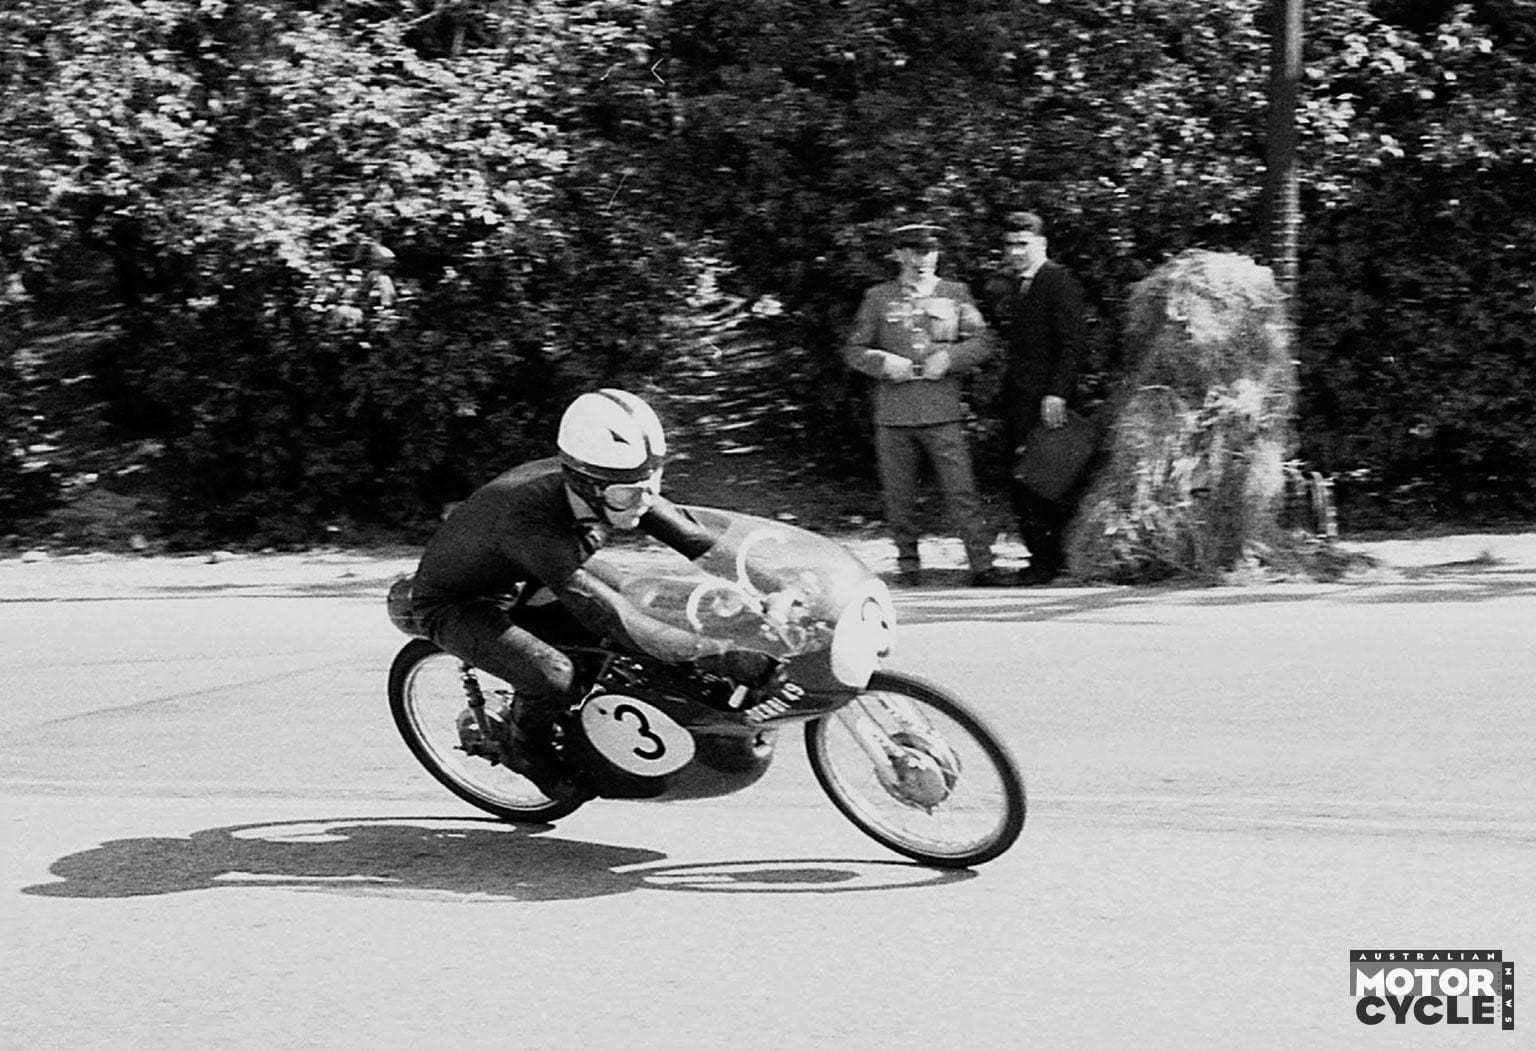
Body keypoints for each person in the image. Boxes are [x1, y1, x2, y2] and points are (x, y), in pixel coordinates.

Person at [407, 388, 756, 798]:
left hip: (531, 575)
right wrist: (710, 650)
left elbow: (700, 543)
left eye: (652, 484)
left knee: (642, 600)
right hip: (459, 603)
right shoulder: (530, 520)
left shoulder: (618, 484)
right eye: (627, 494)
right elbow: (599, 610)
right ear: (585, 485)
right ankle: (526, 751)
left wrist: (774, 585)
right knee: (555, 678)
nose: (643, 502)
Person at [842, 220, 1008, 587]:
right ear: (898, 254)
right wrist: (883, 363)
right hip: (895, 414)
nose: (923, 259)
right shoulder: (879, 297)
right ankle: (908, 566)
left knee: (962, 491)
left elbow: (983, 341)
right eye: (914, 252)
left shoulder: (955, 293)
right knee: (898, 496)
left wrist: (949, 359)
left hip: (941, 411)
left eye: (929, 251)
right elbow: (854, 350)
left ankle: (982, 565)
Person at [982, 210, 1089, 585]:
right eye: (1010, 245)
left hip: (1046, 402)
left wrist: (1057, 393)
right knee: (1024, 479)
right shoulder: (1020, 285)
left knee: (1042, 479)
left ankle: (1049, 563)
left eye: (1023, 244)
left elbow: (1073, 345)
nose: (1015, 252)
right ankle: (1041, 559)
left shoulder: (1057, 281)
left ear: (1041, 244)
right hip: (1021, 400)